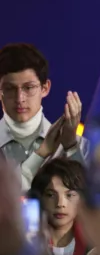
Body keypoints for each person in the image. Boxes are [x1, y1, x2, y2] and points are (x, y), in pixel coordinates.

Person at [0, 43, 89, 192]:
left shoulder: (78, 147)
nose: (20, 98)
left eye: (28, 88)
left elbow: (90, 205)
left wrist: (70, 147)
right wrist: (42, 152)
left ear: (45, 88)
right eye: (9, 89)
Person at [30, 158, 90, 255]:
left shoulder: (94, 246)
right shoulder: (27, 246)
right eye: (51, 195)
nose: (60, 204)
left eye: (69, 195)